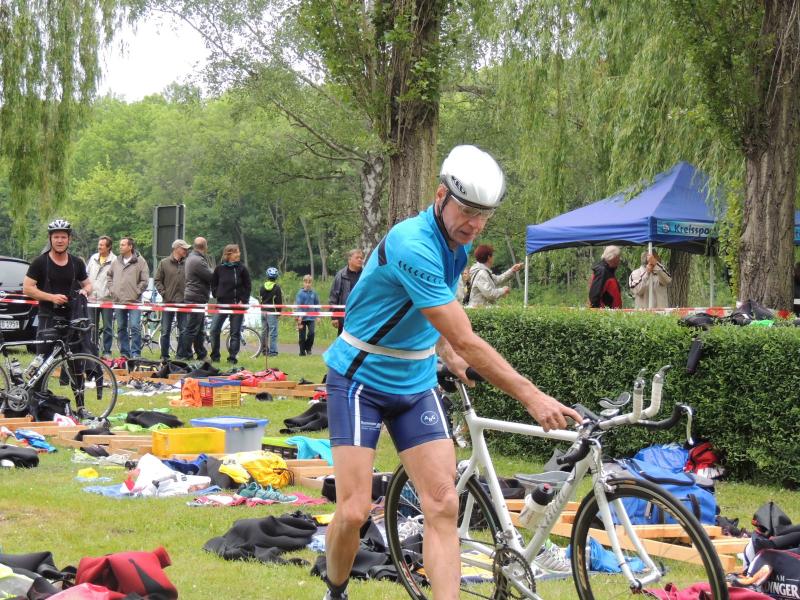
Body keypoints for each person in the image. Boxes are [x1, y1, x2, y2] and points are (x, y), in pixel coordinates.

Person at [319, 145, 580, 600]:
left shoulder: (456, 246)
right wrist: (532, 396)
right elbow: (465, 336)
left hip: (415, 382)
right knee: (356, 509)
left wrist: (443, 351)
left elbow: (425, 311)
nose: (475, 225)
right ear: (441, 196)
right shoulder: (412, 242)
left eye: (485, 216)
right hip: (360, 378)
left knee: (443, 504)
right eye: (467, 211)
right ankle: (335, 591)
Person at [23, 219, 92, 348]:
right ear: (50, 239)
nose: (59, 241)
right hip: (47, 316)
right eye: (56, 237)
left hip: (72, 316)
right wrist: (51, 297)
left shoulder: (77, 262)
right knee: (44, 357)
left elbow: (88, 285)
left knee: (76, 357)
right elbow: (27, 288)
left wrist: (85, 291)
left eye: (63, 237)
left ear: (69, 239)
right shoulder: (40, 262)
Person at [209, 244, 251, 364]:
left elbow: (248, 286)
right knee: (214, 330)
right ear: (229, 254)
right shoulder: (219, 269)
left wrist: (243, 300)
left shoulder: (242, 269)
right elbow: (214, 284)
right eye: (236, 252)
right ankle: (215, 356)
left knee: (235, 332)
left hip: (237, 305)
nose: (239, 254)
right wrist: (217, 294)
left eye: (239, 252)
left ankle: (232, 358)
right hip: (222, 304)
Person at [107, 237, 149, 359]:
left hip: (134, 301)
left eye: (123, 245)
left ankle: (136, 353)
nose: (120, 247)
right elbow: (109, 276)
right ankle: (124, 352)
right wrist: (112, 289)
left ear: (130, 247)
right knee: (121, 327)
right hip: (118, 301)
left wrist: (137, 291)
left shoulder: (140, 261)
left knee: (135, 326)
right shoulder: (116, 261)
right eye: (120, 244)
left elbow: (145, 280)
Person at [177, 237, 214, 361]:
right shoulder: (198, 260)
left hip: (195, 296)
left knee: (199, 329)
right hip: (196, 297)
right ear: (205, 246)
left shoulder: (192, 258)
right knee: (192, 328)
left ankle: (201, 353)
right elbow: (210, 276)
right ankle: (184, 354)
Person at [154, 239, 190, 361]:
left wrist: (188, 294)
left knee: (184, 330)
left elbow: (192, 281)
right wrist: (164, 294)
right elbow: (157, 280)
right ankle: (164, 356)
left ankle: (180, 355)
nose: (186, 250)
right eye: (184, 248)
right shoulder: (164, 263)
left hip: (183, 302)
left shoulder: (188, 263)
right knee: (165, 330)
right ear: (176, 248)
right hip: (168, 302)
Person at [86, 236, 116, 358]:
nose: (99, 247)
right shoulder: (93, 258)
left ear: (109, 247)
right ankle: (93, 350)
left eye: (102, 245)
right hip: (92, 298)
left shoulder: (115, 260)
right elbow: (86, 274)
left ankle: (107, 351)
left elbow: (117, 278)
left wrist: (111, 292)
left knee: (108, 326)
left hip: (107, 299)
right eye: (99, 244)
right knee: (92, 326)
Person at [329, 249, 364, 335]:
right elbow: (334, 296)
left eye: (361, 258)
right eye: (357, 257)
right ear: (349, 259)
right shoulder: (340, 275)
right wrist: (334, 317)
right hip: (344, 317)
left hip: (362, 316)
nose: (360, 260)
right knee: (343, 340)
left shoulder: (366, 274)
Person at [260, 267, 283, 357]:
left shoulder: (262, 287)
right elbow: (278, 301)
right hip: (272, 312)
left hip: (263, 311)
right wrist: (279, 312)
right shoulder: (277, 288)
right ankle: (273, 352)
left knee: (264, 332)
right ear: (276, 277)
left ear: (267, 276)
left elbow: (261, 299)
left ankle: (264, 350)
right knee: (273, 333)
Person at [295, 274, 320, 356]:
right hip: (301, 318)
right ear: (303, 283)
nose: (307, 284)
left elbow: (317, 304)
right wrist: (300, 316)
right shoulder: (300, 293)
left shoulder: (314, 293)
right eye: (306, 282)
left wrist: (317, 316)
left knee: (312, 333)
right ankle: (302, 352)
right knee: (302, 336)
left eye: (309, 282)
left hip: (311, 317)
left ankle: (308, 348)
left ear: (311, 283)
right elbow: (299, 305)